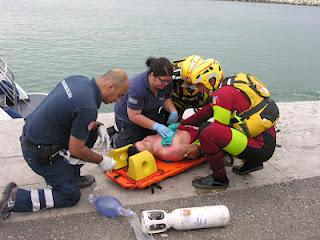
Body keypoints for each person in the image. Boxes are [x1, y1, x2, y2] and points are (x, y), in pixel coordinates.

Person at [0, 69, 129, 219]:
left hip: (33, 137)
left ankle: (71, 175)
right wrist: (101, 161)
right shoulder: (88, 107)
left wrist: (98, 126)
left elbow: (71, 114)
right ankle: (16, 198)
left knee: (91, 131)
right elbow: (76, 149)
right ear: (110, 86)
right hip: (39, 155)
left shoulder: (78, 80)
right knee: (71, 195)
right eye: (120, 95)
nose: (119, 100)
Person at [181, 58, 278, 189]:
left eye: (199, 85)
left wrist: (197, 147)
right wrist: (184, 123)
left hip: (260, 148)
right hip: (265, 140)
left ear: (210, 81)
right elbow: (210, 109)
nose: (198, 89)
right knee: (206, 128)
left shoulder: (222, 94)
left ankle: (219, 179)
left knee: (208, 134)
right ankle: (253, 163)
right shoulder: (231, 85)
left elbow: (217, 130)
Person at [110, 57, 179, 148]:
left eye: (168, 81)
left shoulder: (167, 82)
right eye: (162, 80)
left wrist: (173, 111)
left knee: (156, 139)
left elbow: (166, 98)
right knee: (129, 146)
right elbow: (134, 116)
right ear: (152, 75)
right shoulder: (137, 88)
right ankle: (113, 136)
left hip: (150, 113)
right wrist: (157, 126)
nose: (166, 84)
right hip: (128, 118)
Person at [171, 55, 212, 119]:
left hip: (198, 103)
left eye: (191, 83)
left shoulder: (208, 76)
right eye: (186, 82)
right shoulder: (171, 74)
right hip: (177, 102)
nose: (188, 85)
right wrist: (173, 111)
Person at [132, 125, 200, 162]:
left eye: (142, 140)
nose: (145, 140)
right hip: (195, 134)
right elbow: (194, 150)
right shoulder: (167, 152)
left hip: (182, 126)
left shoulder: (150, 140)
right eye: (144, 144)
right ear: (149, 154)